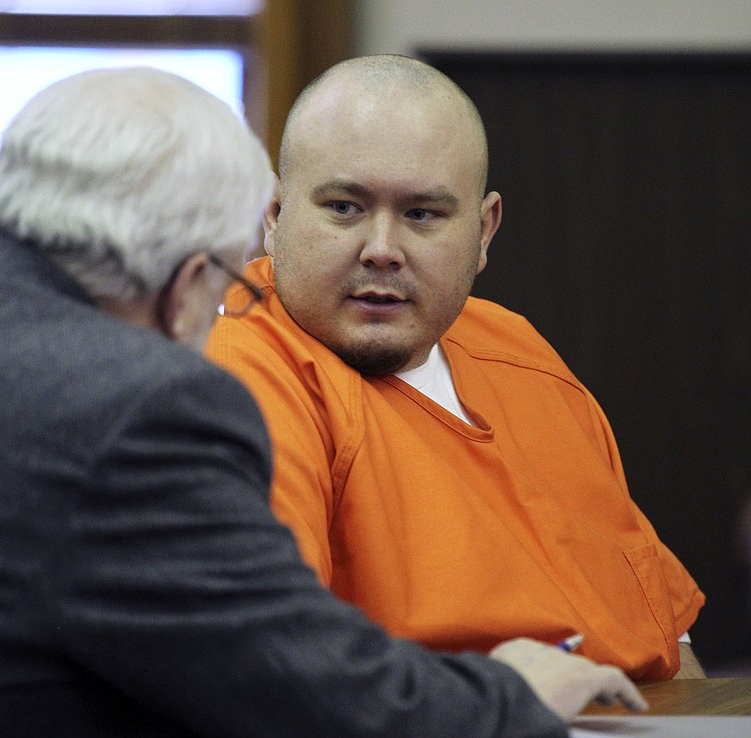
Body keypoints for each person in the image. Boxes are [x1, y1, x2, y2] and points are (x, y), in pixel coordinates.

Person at [0, 67, 647, 737]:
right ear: (194, 280)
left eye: (424, 213)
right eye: (235, 275)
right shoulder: (134, 407)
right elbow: (298, 691)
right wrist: (511, 696)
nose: (382, 250)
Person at [205, 54, 706, 682]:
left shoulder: (514, 346)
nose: (382, 249)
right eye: (344, 207)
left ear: (484, 230)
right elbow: (270, 663)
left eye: (422, 214)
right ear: (275, 216)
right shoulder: (237, 371)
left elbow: (666, 633)